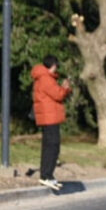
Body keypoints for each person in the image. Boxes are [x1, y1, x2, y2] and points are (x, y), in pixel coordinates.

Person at [31, 55, 73, 190]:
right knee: (53, 146)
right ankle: (46, 175)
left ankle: (47, 175)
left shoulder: (42, 78)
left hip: (48, 116)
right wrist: (66, 88)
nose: (57, 70)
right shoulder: (46, 79)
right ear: (52, 66)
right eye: (56, 67)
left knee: (49, 146)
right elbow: (58, 95)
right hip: (50, 117)